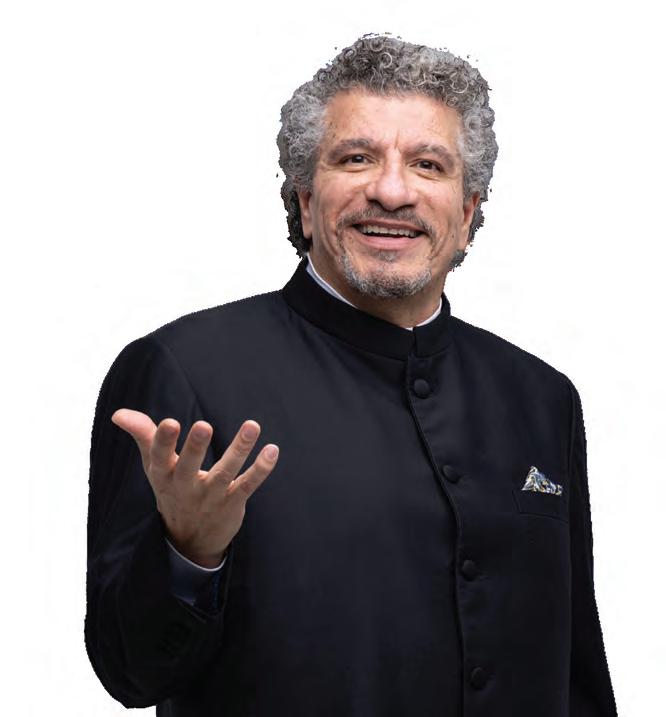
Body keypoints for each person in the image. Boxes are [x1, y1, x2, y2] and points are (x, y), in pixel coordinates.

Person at [85, 32, 617, 717]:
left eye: (428, 165)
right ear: (305, 201)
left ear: (467, 213)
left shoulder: (542, 398)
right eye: (356, 158)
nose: (391, 191)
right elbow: (129, 674)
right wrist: (189, 550)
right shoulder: (183, 371)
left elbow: (577, 676)